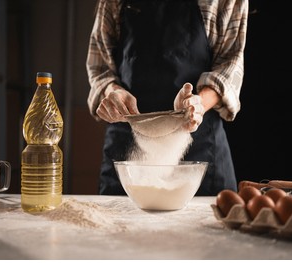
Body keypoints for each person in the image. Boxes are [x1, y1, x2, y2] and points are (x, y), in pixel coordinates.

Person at [86, 0, 249, 195]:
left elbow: (229, 66)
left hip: (198, 147)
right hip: (128, 153)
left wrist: (196, 104)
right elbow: (100, 66)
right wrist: (112, 91)